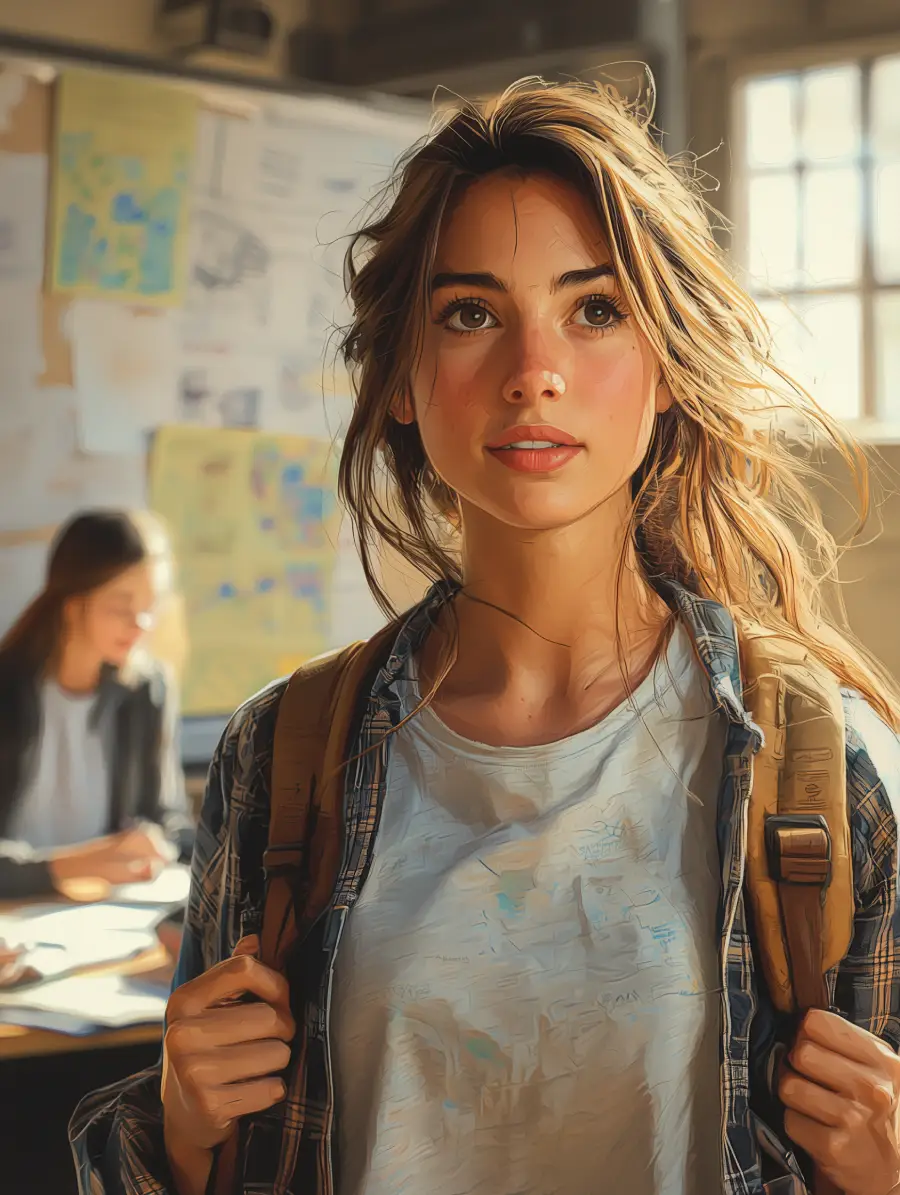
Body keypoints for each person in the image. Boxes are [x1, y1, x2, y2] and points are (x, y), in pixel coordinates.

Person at [71, 79, 900, 1195]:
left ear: (664, 368)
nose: (532, 371)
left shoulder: (816, 770)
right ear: (404, 377)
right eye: (471, 313)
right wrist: (175, 1129)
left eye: (594, 309)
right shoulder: (281, 758)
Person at [0, 509, 194, 900]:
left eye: (151, 605)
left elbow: (169, 819)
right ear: (72, 604)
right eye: (122, 605)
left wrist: (158, 843)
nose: (141, 623)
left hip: (105, 917)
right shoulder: (9, 690)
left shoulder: (147, 689)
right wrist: (73, 865)